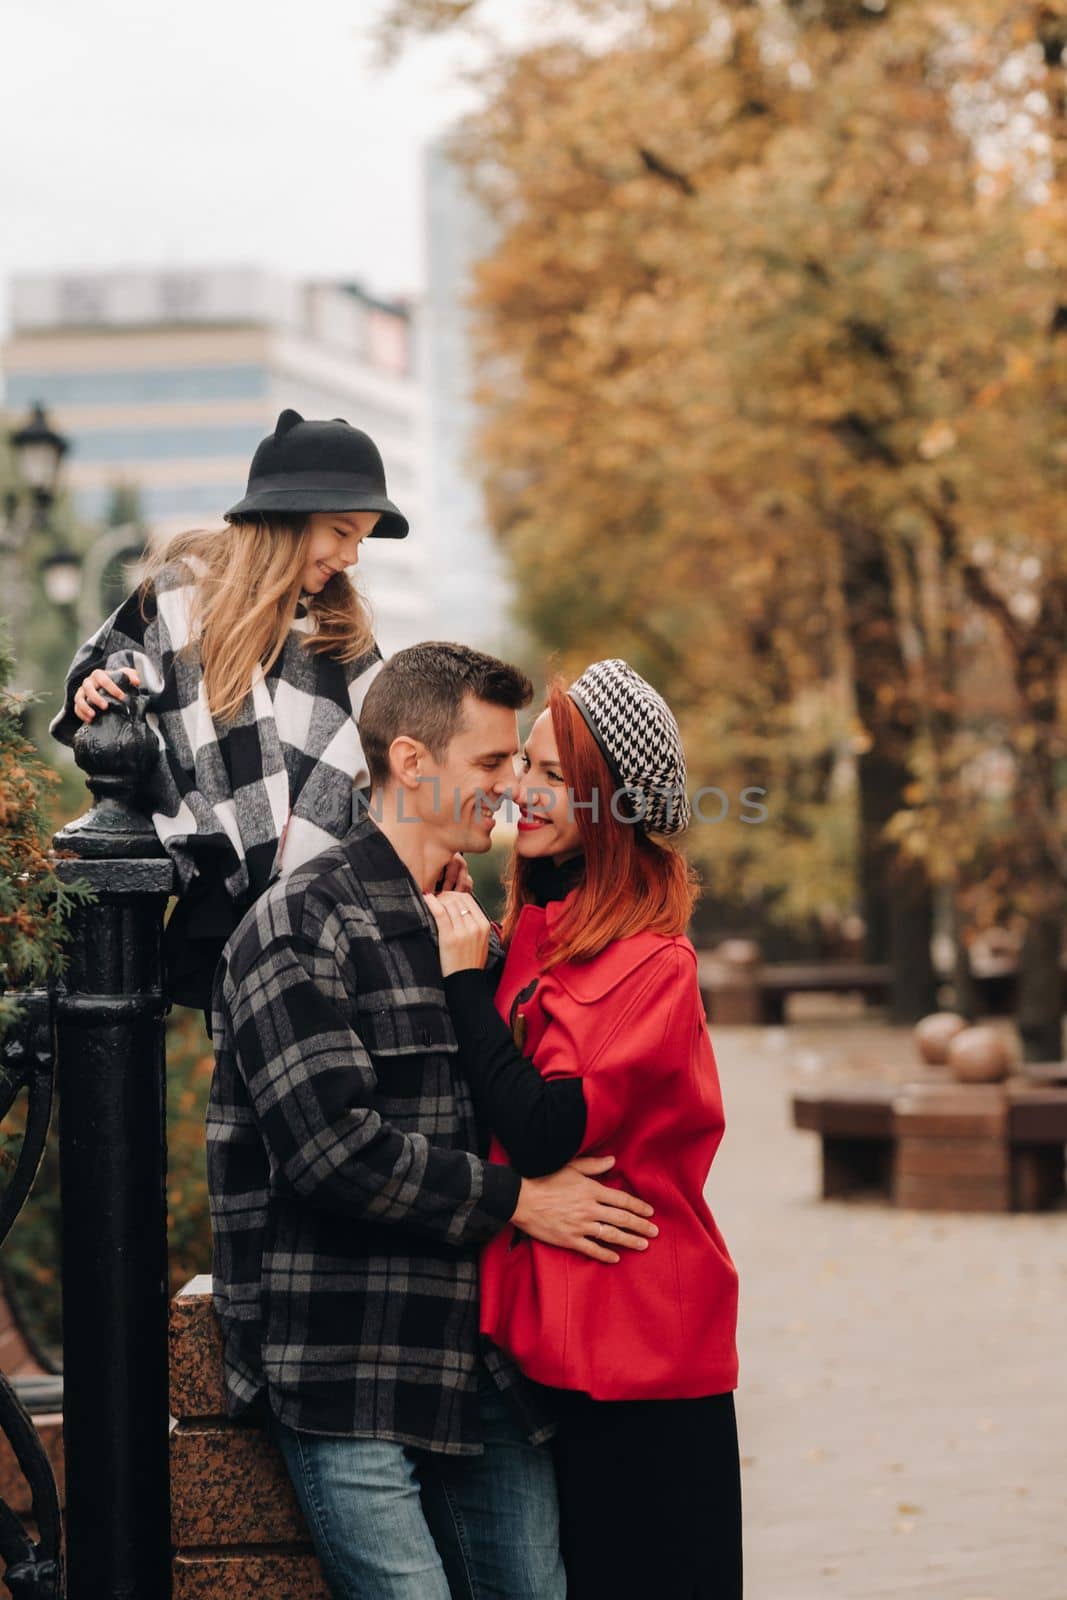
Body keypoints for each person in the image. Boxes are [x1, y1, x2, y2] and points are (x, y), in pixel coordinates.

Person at [207, 641, 660, 1600]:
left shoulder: (471, 938)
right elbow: (332, 1151)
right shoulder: (298, 923)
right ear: (413, 764)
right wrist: (520, 1203)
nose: (514, 789)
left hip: (483, 1368)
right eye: (494, 764)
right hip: (348, 1367)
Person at [424, 658, 743, 1600]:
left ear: (612, 804)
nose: (523, 789)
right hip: (544, 1347)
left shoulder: (656, 965)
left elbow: (544, 1129)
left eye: (557, 777)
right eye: (524, 763)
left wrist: (460, 984)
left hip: (644, 1360)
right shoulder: (533, 926)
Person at [49, 408, 469, 1012]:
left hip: (325, 916)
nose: (353, 556)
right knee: (244, 1095)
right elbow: (113, 672)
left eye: (360, 539)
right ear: (290, 517)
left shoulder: (341, 634)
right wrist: (98, 691)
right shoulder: (178, 596)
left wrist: (436, 835)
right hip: (217, 907)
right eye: (342, 532)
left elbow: (391, 754)